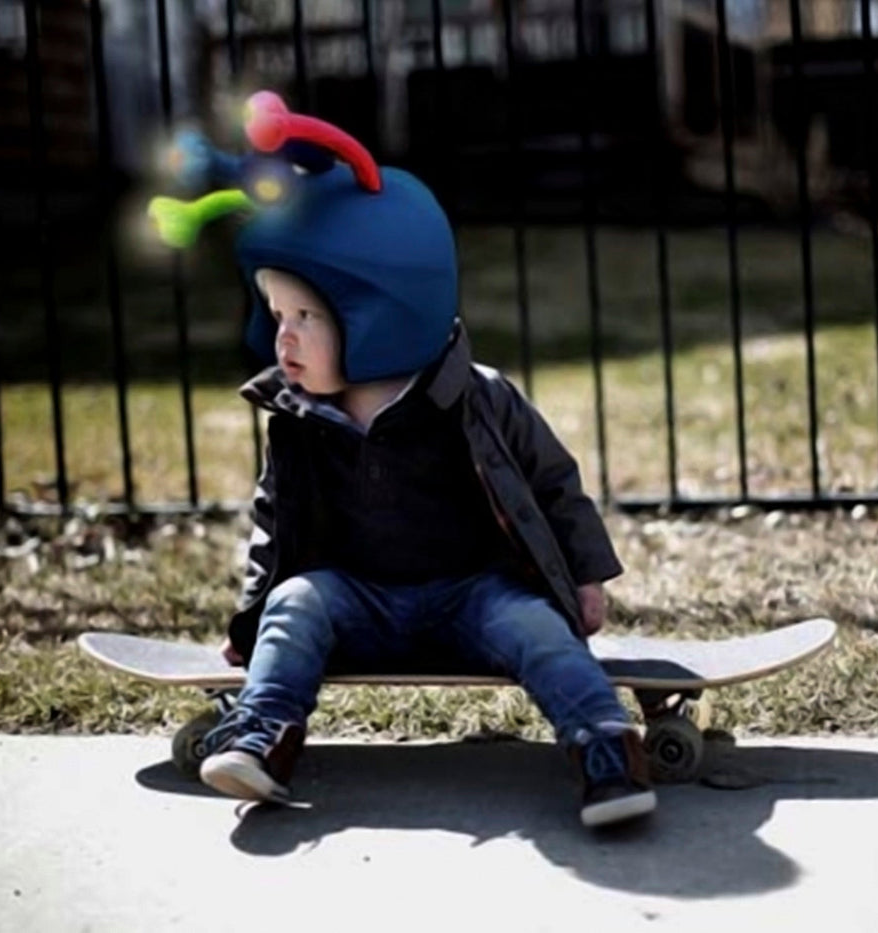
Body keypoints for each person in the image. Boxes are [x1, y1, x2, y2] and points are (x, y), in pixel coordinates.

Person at [187, 107, 655, 828]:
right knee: (296, 602)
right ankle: (263, 735)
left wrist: (586, 576)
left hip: (475, 594)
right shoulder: (299, 418)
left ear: (381, 309)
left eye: (306, 317)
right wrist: (253, 617)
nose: (284, 339)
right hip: (357, 600)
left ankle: (606, 746)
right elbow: (273, 525)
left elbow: (553, 486)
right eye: (277, 316)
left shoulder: (479, 398)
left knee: (538, 629)